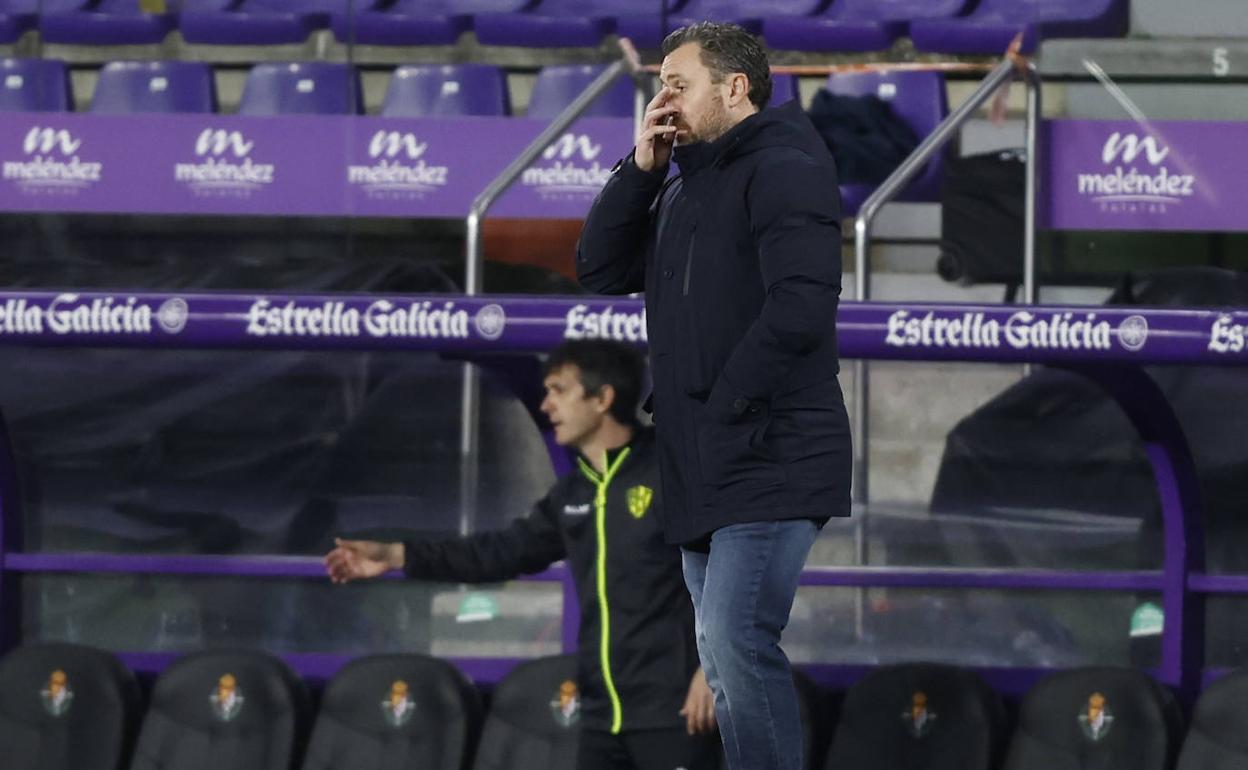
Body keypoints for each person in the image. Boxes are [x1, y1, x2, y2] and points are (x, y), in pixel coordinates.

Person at [576, 21, 852, 770]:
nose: (662, 97)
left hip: (771, 448)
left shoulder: (786, 167)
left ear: (735, 89)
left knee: (735, 642)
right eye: (659, 82)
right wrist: (640, 168)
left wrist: (721, 403)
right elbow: (598, 268)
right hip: (702, 456)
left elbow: (800, 307)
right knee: (720, 653)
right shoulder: (679, 182)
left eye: (678, 82)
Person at [324, 340, 720, 770]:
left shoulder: (669, 474)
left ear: (603, 398)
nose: (546, 405)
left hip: (678, 711)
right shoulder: (573, 492)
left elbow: (730, 569)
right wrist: (396, 554)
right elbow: (499, 553)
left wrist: (713, 668)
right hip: (602, 719)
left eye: (559, 390)